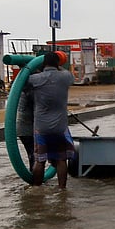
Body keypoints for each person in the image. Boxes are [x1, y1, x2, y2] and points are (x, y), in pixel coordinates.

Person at [28, 52, 75, 187]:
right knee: (61, 160)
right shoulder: (65, 77)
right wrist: (60, 68)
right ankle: (62, 190)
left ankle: (37, 190)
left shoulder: (35, 79)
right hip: (60, 127)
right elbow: (72, 76)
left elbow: (21, 84)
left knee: (40, 160)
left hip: (41, 127)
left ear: (43, 64)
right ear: (58, 64)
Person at [16, 84, 35, 166]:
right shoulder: (29, 94)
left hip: (22, 129)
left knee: (32, 154)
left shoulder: (20, 94)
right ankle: (35, 175)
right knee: (34, 154)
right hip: (27, 129)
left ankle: (34, 174)